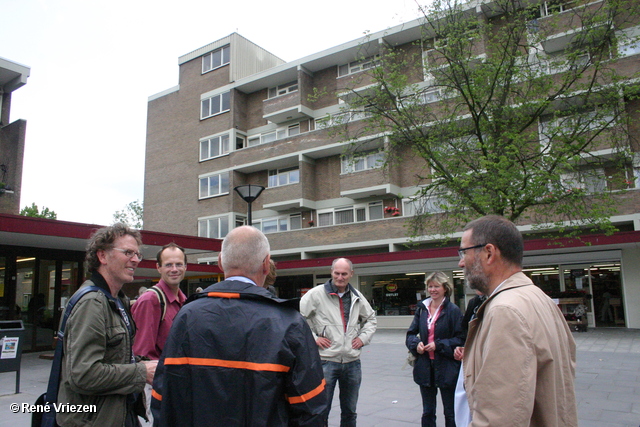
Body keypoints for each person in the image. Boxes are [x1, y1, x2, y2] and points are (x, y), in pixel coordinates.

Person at [151, 226, 326, 426]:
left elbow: (162, 396)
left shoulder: (186, 316)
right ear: (266, 265)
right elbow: (310, 408)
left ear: (220, 261)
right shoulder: (289, 322)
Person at [459, 215, 578, 427]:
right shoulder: (540, 298)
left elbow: (499, 417)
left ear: (488, 253)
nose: (461, 262)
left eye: (464, 252)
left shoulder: (505, 310)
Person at [57, 223, 157, 427]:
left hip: (118, 414)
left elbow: (115, 356)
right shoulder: (92, 302)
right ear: (102, 256)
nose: (136, 260)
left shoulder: (116, 300)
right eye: (128, 252)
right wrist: (141, 371)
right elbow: (84, 375)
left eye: (138, 254)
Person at [300, 257, 377, 427]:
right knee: (321, 410)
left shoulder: (357, 296)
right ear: (331, 272)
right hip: (326, 361)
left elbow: (371, 319)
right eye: (337, 273)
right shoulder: (316, 294)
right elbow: (298, 319)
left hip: (352, 363)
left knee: (350, 411)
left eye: (344, 274)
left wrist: (362, 339)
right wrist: (314, 338)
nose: (340, 277)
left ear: (351, 274)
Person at [131, 243, 188, 424]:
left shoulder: (184, 300)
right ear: (158, 268)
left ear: (186, 267)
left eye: (179, 264)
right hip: (155, 387)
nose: (174, 269)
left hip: (176, 385)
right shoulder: (150, 300)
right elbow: (141, 353)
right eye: (168, 265)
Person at [406, 271, 464, 427]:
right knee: (428, 411)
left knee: (450, 412)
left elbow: (460, 338)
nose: (432, 290)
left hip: (446, 366)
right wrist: (415, 344)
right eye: (430, 286)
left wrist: (439, 345)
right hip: (425, 366)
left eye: (436, 286)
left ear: (445, 288)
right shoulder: (422, 309)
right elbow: (410, 334)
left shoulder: (453, 311)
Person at [453, 291, 486, 427]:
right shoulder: (474, 302)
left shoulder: (498, 303)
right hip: (470, 360)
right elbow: (464, 329)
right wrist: (461, 346)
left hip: (485, 361)